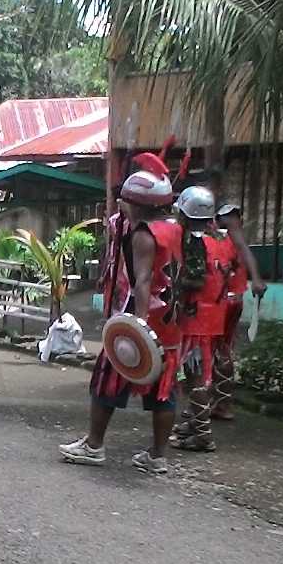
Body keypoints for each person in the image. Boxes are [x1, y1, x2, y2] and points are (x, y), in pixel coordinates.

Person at [59, 151, 182, 474]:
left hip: (143, 318)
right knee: (164, 390)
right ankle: (158, 455)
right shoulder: (175, 229)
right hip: (172, 322)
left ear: (137, 203)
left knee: (106, 380)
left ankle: (94, 445)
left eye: (125, 199)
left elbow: (142, 282)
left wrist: (139, 325)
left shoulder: (143, 234)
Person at [170, 185, 227, 452]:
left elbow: (198, 278)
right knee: (197, 374)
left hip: (196, 317)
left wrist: (175, 285)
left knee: (193, 377)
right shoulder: (218, 238)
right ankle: (194, 423)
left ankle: (203, 436)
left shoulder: (194, 241)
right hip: (213, 315)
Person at [213, 200, 265, 420]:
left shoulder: (232, 236)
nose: (235, 221)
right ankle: (220, 402)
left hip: (221, 303)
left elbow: (244, 250)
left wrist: (256, 279)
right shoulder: (218, 237)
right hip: (228, 301)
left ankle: (216, 404)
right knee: (221, 350)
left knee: (214, 350)